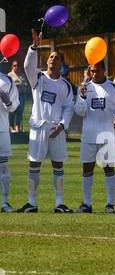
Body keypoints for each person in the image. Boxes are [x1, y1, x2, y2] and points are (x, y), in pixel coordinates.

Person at [17, 29, 74, 213]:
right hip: (38, 128)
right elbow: (27, 65)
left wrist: (62, 126)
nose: (52, 59)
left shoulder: (65, 85)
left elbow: (68, 108)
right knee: (34, 165)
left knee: (58, 165)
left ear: (61, 64)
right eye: (50, 57)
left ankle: (59, 204)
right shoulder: (38, 77)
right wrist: (34, 47)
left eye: (56, 58)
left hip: (55, 129)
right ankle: (32, 203)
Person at [74, 60, 115, 213]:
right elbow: (79, 111)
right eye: (92, 71)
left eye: (98, 71)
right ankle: (86, 204)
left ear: (104, 70)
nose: (95, 74)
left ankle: (110, 205)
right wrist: (83, 96)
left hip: (107, 135)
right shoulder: (84, 88)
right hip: (88, 135)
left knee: (109, 169)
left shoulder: (113, 87)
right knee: (87, 169)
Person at [0, 72, 19, 212]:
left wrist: (7, 101)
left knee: (3, 168)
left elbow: (14, 106)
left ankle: (5, 203)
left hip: (2, 129)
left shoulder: (8, 81)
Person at [8, 59, 29, 133]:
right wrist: (17, 84)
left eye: (18, 65)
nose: (16, 67)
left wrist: (21, 85)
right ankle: (11, 127)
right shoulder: (10, 75)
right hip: (12, 96)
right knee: (12, 111)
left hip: (21, 95)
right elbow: (9, 85)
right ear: (12, 67)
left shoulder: (22, 74)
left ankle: (17, 127)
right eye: (15, 65)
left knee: (20, 111)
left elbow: (26, 84)